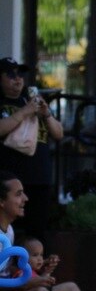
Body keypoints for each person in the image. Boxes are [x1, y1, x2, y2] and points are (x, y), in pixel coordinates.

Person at [0, 170, 96, 291]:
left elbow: (6, 270)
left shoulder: (9, 231)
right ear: (1, 201)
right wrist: (27, 282)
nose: (26, 199)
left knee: (72, 289)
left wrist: (38, 272)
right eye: (18, 194)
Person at [0, 57, 64, 243]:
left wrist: (46, 113)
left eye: (20, 74)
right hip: (10, 181)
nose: (17, 79)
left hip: (39, 179)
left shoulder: (33, 101)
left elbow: (58, 133)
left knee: (37, 233)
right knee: (7, 233)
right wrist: (24, 112)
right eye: (11, 75)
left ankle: (35, 271)